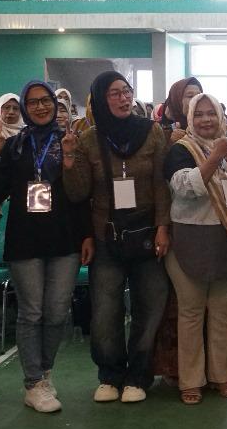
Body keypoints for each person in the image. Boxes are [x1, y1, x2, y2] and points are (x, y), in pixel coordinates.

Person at [0, 81, 93, 414]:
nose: (41, 107)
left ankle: (45, 373)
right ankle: (33, 383)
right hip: (25, 240)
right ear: (24, 107)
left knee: (57, 312)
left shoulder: (70, 142)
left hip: (65, 239)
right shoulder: (14, 146)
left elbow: (81, 194)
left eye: (46, 100)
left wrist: (87, 235)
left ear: (55, 105)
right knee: (31, 312)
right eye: (33, 102)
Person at [63, 71, 171, 404]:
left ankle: (138, 376)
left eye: (126, 91)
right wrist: (69, 160)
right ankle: (109, 374)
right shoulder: (88, 139)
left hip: (147, 234)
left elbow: (161, 184)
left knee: (149, 306)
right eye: (114, 93)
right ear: (100, 99)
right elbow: (79, 193)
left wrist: (163, 226)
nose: (124, 98)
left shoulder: (152, 132)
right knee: (105, 311)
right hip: (105, 235)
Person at [164, 92, 227, 404]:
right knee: (191, 311)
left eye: (212, 113)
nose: (206, 120)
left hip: (226, 238)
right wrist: (215, 157)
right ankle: (191, 380)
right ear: (190, 118)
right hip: (189, 241)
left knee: (222, 310)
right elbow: (186, 188)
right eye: (199, 114)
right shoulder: (180, 150)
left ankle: (222, 376)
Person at [163, 77, 203, 142]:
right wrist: (171, 142)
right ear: (177, 101)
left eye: (199, 96)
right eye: (190, 96)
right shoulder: (161, 130)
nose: (196, 100)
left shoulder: (207, 125)